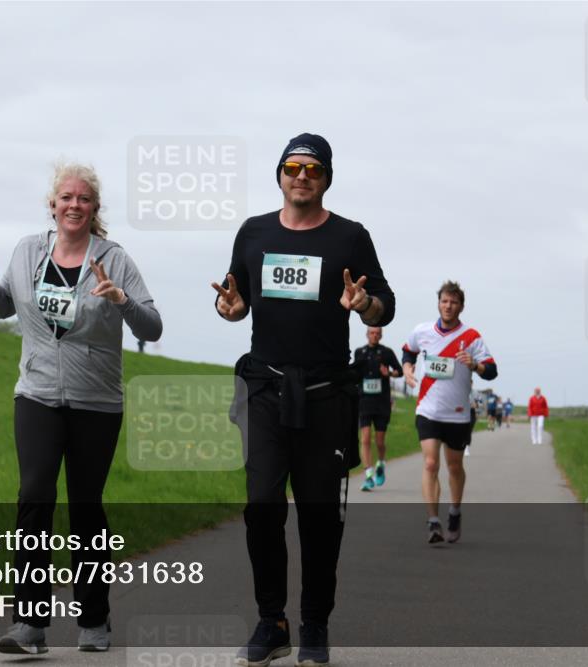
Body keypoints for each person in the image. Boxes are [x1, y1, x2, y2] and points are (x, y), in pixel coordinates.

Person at [213, 133, 395, 666]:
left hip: (324, 394)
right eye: (292, 166)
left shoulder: (350, 237)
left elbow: (383, 304)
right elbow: (237, 298)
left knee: (319, 517)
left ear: (326, 178)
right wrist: (230, 309)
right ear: (280, 174)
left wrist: (366, 306)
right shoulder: (253, 232)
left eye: (312, 169)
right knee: (262, 505)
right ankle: (272, 620)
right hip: (265, 390)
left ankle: (314, 623)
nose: (301, 175)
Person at [0, 162, 162, 654]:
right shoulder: (29, 251)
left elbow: (152, 326)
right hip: (36, 394)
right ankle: (28, 625)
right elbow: (3, 307)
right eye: (66, 197)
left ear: (95, 209)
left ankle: (94, 621)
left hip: (96, 402)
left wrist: (120, 300)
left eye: (84, 199)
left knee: (85, 508)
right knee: (34, 497)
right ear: (52, 205)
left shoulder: (114, 259)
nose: (74, 205)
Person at [403, 281, 497, 545]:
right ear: (438, 303)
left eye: (453, 302)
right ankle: (433, 522)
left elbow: (492, 370)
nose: (448, 306)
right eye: (444, 301)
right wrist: (408, 368)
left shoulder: (472, 337)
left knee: (454, 467)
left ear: (461, 306)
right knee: (430, 463)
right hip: (428, 410)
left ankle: (454, 512)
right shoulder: (422, 331)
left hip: (457, 414)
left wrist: (476, 365)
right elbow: (407, 351)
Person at [353, 326, 403, 491]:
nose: (374, 336)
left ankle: (381, 463)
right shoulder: (359, 352)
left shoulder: (387, 352)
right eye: (372, 333)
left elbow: (399, 371)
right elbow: (355, 373)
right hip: (365, 401)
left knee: (380, 441)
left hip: (381, 402)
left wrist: (388, 373)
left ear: (381, 336)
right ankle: (368, 474)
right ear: (367, 334)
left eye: (377, 334)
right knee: (365, 439)